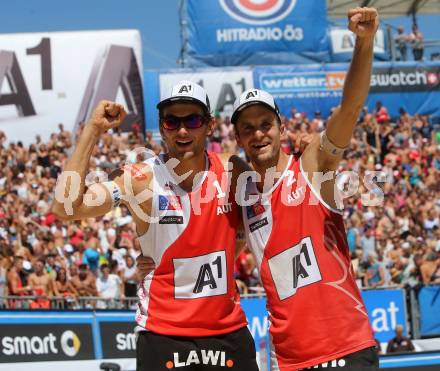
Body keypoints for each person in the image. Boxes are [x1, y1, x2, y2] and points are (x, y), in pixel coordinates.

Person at [52, 84, 259, 370]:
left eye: (193, 120)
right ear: (161, 128)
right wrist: (92, 129)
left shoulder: (233, 171)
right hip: (164, 333)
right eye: (172, 121)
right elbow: (65, 207)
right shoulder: (140, 179)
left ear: (210, 125)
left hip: (228, 332)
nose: (182, 130)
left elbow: (246, 231)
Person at [230, 7, 380, 371]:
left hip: (346, 348)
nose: (258, 133)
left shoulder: (312, 166)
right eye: (247, 128)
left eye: (265, 123)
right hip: (291, 361)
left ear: (282, 128)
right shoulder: (243, 200)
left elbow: (349, 108)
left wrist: (364, 42)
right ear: (238, 138)